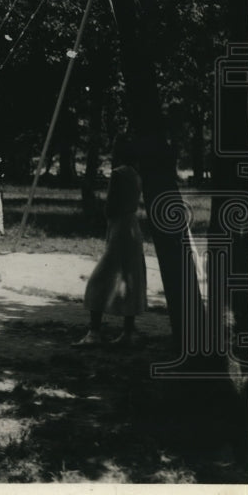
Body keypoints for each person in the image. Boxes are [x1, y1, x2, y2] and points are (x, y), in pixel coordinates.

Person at [73, 136, 147, 348]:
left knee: (100, 278)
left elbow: (111, 207)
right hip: (132, 227)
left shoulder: (118, 174)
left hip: (119, 228)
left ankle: (94, 332)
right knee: (130, 277)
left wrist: (99, 211)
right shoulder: (136, 174)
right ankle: (128, 330)